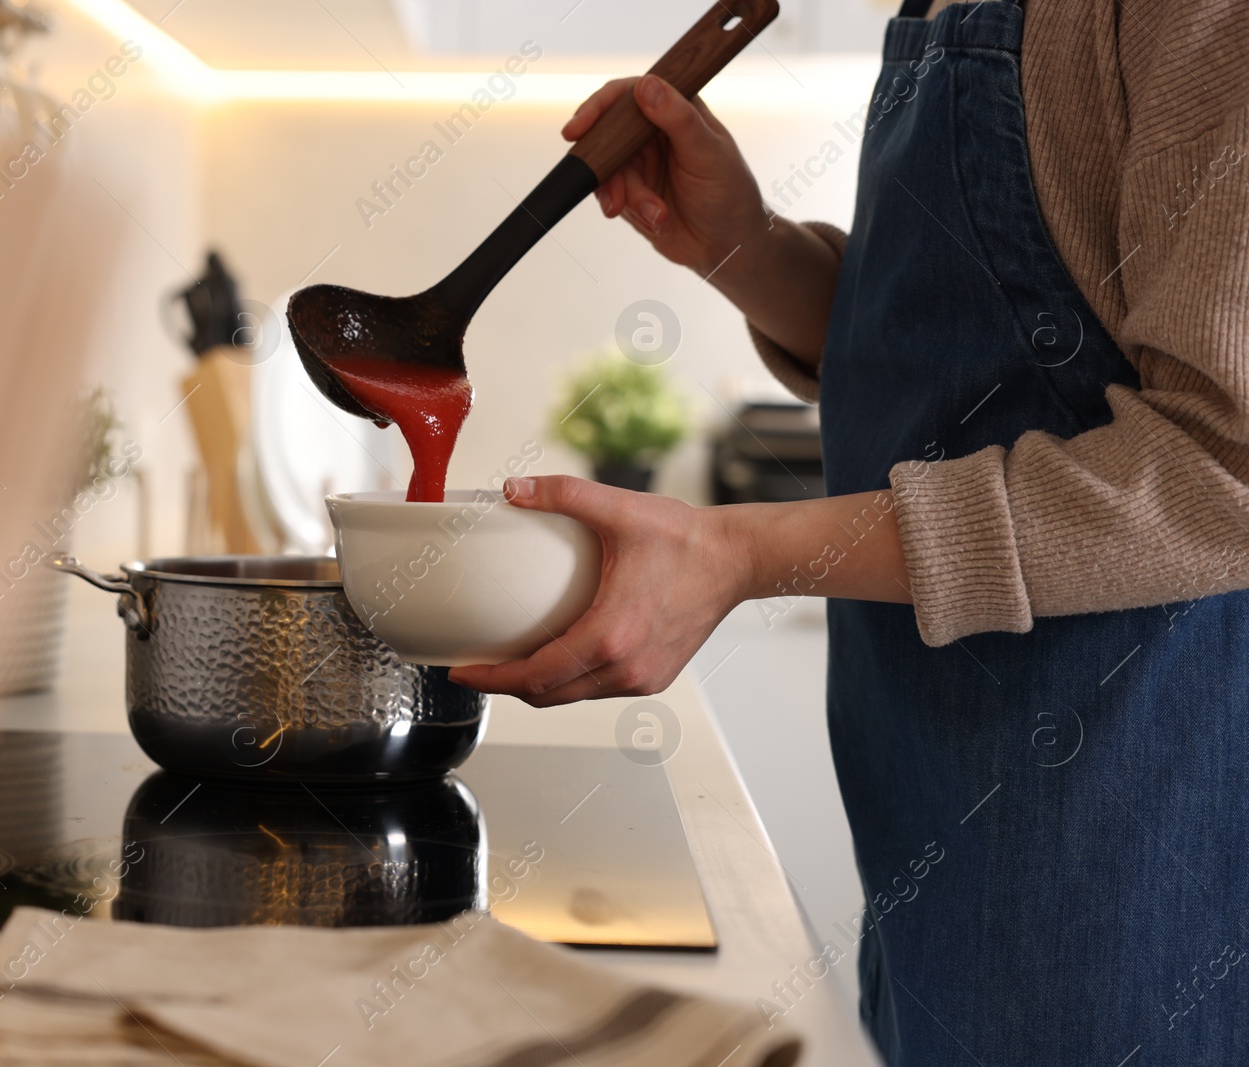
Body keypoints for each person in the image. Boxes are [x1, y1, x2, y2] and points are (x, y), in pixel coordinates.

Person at [448, 0, 1249, 1062]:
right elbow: (976, 378)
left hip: (1126, 847)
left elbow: (1221, 465)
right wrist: (746, 247)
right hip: (938, 827)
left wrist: (745, 552)